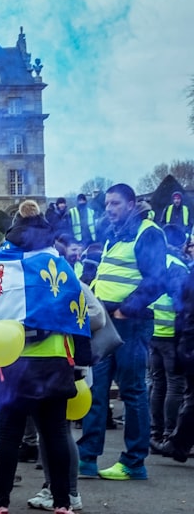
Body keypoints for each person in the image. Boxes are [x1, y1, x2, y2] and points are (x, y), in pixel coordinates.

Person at [0, 200, 90, 514]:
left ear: (13, 230)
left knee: (9, 434)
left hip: (11, 362)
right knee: (55, 433)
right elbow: (77, 312)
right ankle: (63, 503)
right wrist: (83, 358)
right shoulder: (58, 262)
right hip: (53, 359)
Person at [77, 183, 167, 481]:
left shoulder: (148, 232)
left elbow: (157, 281)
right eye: (107, 205)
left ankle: (133, 462)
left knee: (132, 391)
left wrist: (124, 309)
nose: (109, 210)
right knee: (95, 390)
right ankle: (87, 458)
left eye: (115, 204)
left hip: (130, 321)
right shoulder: (114, 235)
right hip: (107, 322)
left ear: (130, 204)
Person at [147, 224, 190, 453]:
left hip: (153, 330)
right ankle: (169, 434)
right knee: (175, 385)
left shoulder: (154, 262)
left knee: (158, 383)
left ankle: (155, 432)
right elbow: (183, 305)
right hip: (172, 333)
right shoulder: (178, 267)